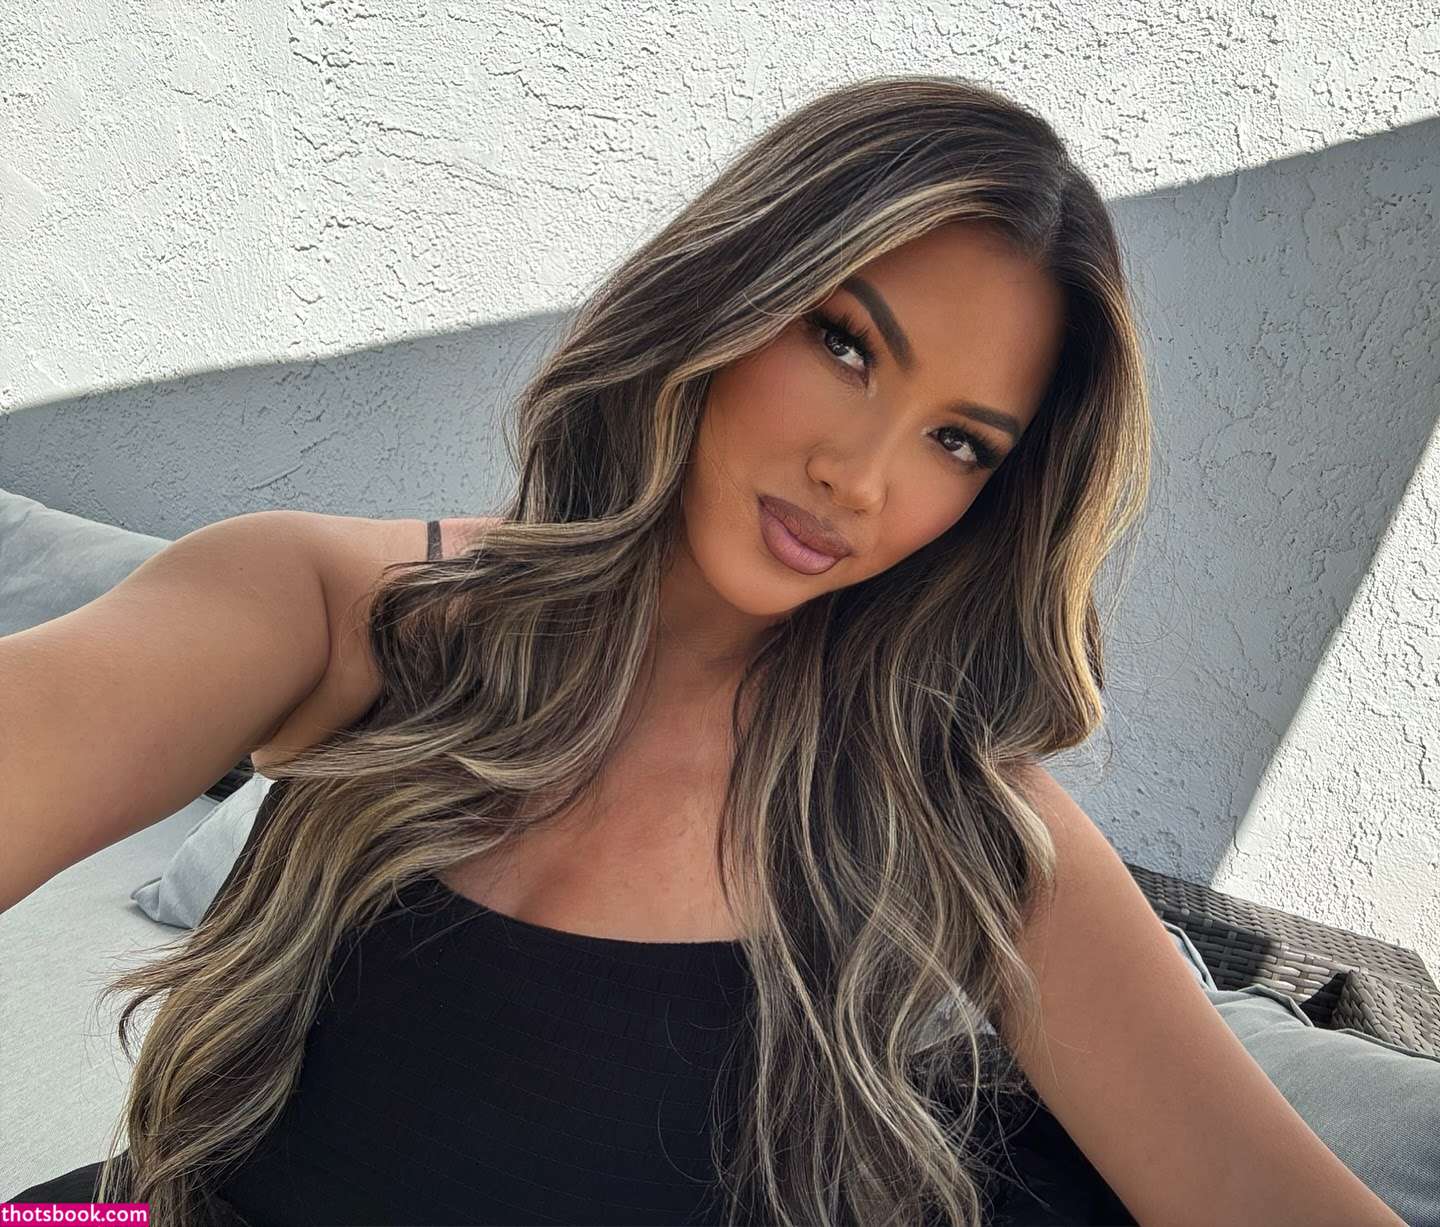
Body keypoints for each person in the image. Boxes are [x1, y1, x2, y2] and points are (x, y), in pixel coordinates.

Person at [4, 74, 1406, 1227]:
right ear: (728, 296)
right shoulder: (326, 606)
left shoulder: (965, 831)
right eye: (845, 345)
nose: (859, 476)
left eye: (958, 442)